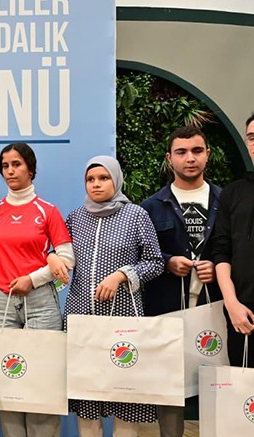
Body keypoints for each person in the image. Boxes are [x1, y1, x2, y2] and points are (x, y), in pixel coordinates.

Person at [60, 156, 164, 437]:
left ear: (116, 180)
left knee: (124, 390)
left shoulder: (136, 215)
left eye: (103, 178)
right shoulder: (76, 217)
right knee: (86, 392)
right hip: (82, 318)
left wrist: (122, 275)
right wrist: (53, 259)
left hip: (123, 318)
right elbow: (62, 255)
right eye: (90, 179)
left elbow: (155, 262)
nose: (96, 184)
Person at [0, 142, 74, 437]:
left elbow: (67, 259)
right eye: (5, 166)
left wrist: (33, 279)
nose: (10, 171)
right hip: (2, 300)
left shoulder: (47, 211)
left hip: (40, 300)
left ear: (31, 169)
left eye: (16, 164)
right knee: (8, 377)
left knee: (42, 379)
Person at [140, 125, 221, 437]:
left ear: (207, 155)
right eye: (182, 152)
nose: (190, 158)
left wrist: (218, 266)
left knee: (217, 386)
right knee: (169, 388)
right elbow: (141, 256)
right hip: (167, 311)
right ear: (169, 158)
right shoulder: (150, 206)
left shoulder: (226, 201)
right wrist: (167, 262)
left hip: (216, 310)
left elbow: (239, 250)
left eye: (197, 151)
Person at [213, 108, 254, 368]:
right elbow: (221, 251)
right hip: (242, 315)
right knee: (246, 389)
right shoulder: (232, 193)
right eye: (252, 137)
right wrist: (231, 304)